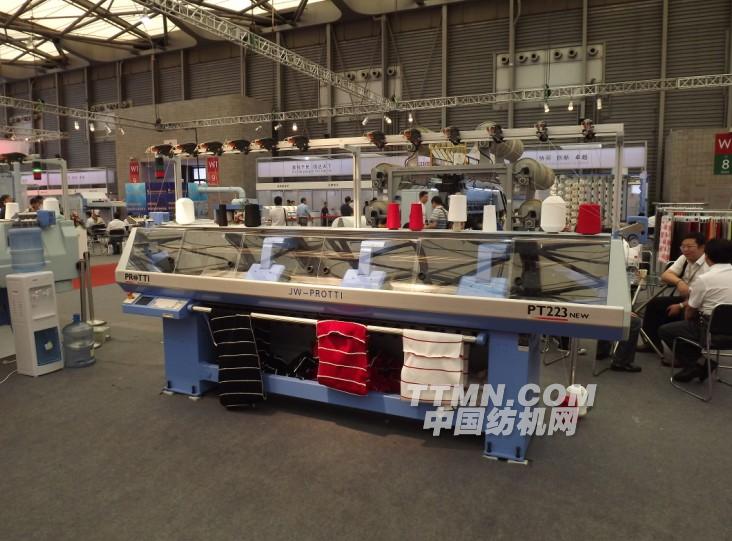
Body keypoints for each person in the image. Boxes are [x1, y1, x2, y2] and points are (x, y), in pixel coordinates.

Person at [659, 239, 732, 382]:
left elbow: (690, 310)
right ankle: (698, 364)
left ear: (706, 256)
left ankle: (699, 363)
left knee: (667, 330)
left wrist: (687, 319)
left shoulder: (705, 279)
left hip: (710, 332)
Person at [639, 232, 708, 357]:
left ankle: (687, 356)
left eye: (689, 246)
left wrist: (681, 305)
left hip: (700, 303)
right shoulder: (684, 259)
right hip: (686, 298)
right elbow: (665, 275)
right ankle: (652, 343)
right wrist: (679, 282)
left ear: (702, 248)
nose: (685, 250)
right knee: (654, 304)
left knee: (685, 312)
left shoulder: (708, 264)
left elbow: (704, 297)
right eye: (683, 246)